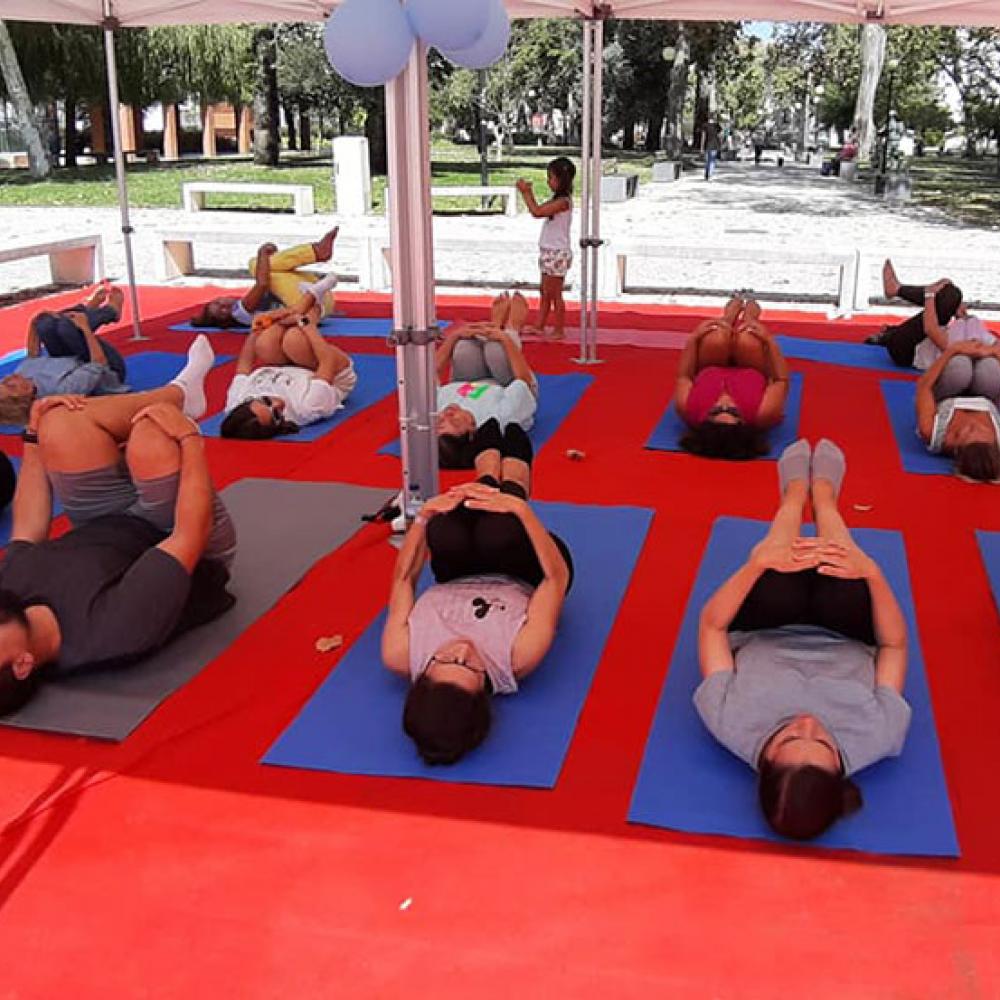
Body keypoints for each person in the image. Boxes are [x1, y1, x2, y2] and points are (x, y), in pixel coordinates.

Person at [0, 346, 236, 715]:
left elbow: (27, 528)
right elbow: (190, 534)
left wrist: (32, 438)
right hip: (175, 531)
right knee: (151, 435)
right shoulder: (110, 631)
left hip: (101, 518)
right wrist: (190, 441)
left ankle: (179, 396)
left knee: (56, 420)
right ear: (21, 664)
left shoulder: (7, 597)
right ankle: (178, 399)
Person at [695, 438, 911, 840]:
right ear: (839, 770)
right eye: (825, 743)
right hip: (845, 629)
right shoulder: (877, 736)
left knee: (778, 577)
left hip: (767, 625)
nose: (808, 722)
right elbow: (894, 646)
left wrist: (757, 564)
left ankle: (793, 497)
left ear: (767, 759)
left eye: (791, 737)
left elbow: (712, 627)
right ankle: (826, 498)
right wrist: (872, 573)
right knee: (842, 575)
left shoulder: (730, 722)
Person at [381, 419, 573, 765]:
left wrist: (424, 517)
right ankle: (515, 477)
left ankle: (486, 470)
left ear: (423, 676)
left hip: (458, 573)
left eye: (446, 658)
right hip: (526, 569)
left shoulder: (400, 653)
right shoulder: (518, 657)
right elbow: (554, 580)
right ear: (484, 690)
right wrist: (522, 511)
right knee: (497, 530)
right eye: (470, 665)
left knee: (446, 528)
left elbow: (404, 580)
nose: (463, 648)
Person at [675, 295, 791, 460]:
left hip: (711, 366)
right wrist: (769, 341)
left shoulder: (688, 409)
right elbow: (781, 380)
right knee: (748, 337)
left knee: (716, 335)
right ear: (745, 424)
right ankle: (750, 313)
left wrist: (694, 338)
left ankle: (728, 316)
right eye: (734, 412)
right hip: (752, 368)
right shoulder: (763, 414)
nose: (725, 403)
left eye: (715, 411)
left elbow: (684, 375)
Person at [435, 292, 539, 469]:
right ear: (472, 431)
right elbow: (524, 381)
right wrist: (507, 338)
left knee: (464, 346)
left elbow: (431, 373)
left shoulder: (434, 412)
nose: (447, 413)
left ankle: (493, 325)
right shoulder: (498, 419)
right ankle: (511, 326)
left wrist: (455, 336)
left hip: (468, 380)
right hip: (507, 382)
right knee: (496, 350)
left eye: (440, 421)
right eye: (455, 421)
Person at [0, 287, 129, 426]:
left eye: (2, 381)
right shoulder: (60, 390)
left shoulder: (24, 376)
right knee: (67, 328)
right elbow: (98, 364)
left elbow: (32, 356)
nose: (9, 377)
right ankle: (110, 312)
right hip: (106, 367)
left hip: (71, 357)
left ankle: (86, 309)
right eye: (10, 385)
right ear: (25, 394)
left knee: (44, 323)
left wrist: (33, 323)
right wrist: (86, 329)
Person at [219, 311, 356, 439]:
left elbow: (244, 365)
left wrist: (256, 330)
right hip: (331, 374)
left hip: (288, 367)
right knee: (294, 340)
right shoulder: (307, 409)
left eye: (266, 400)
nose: (278, 403)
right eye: (277, 415)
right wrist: (305, 323)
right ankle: (314, 306)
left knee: (264, 343)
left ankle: (297, 307)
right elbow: (327, 361)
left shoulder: (235, 403)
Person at [189, 228, 340, 330]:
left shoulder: (249, 315)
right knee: (256, 266)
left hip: (317, 305)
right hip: (307, 302)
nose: (224, 306)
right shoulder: (240, 312)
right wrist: (262, 252)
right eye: (222, 311)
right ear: (226, 321)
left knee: (265, 267)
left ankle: (317, 254)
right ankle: (317, 252)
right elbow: (262, 284)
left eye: (218, 302)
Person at [866, 260, 997, 369]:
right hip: (923, 338)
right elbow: (964, 324)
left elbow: (931, 329)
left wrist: (930, 294)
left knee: (950, 295)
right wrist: (959, 312)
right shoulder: (988, 340)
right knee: (952, 294)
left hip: (906, 350)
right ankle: (890, 325)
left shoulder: (965, 352)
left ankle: (896, 292)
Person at [915, 335, 1000, 484]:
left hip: (948, 394)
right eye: (980, 429)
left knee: (960, 367)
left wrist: (952, 350)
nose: (972, 424)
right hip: (985, 394)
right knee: (991, 369)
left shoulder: (932, 431)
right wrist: (994, 352)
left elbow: (924, 386)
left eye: (966, 432)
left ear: (957, 448)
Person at [516, 156, 576, 340]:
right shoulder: (559, 200)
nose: (548, 182)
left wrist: (526, 193)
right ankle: (539, 325)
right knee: (545, 291)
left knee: (554, 293)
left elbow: (537, 212)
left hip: (557, 253)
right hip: (550, 251)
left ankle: (559, 329)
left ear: (560, 180)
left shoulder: (563, 202)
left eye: (550, 178)